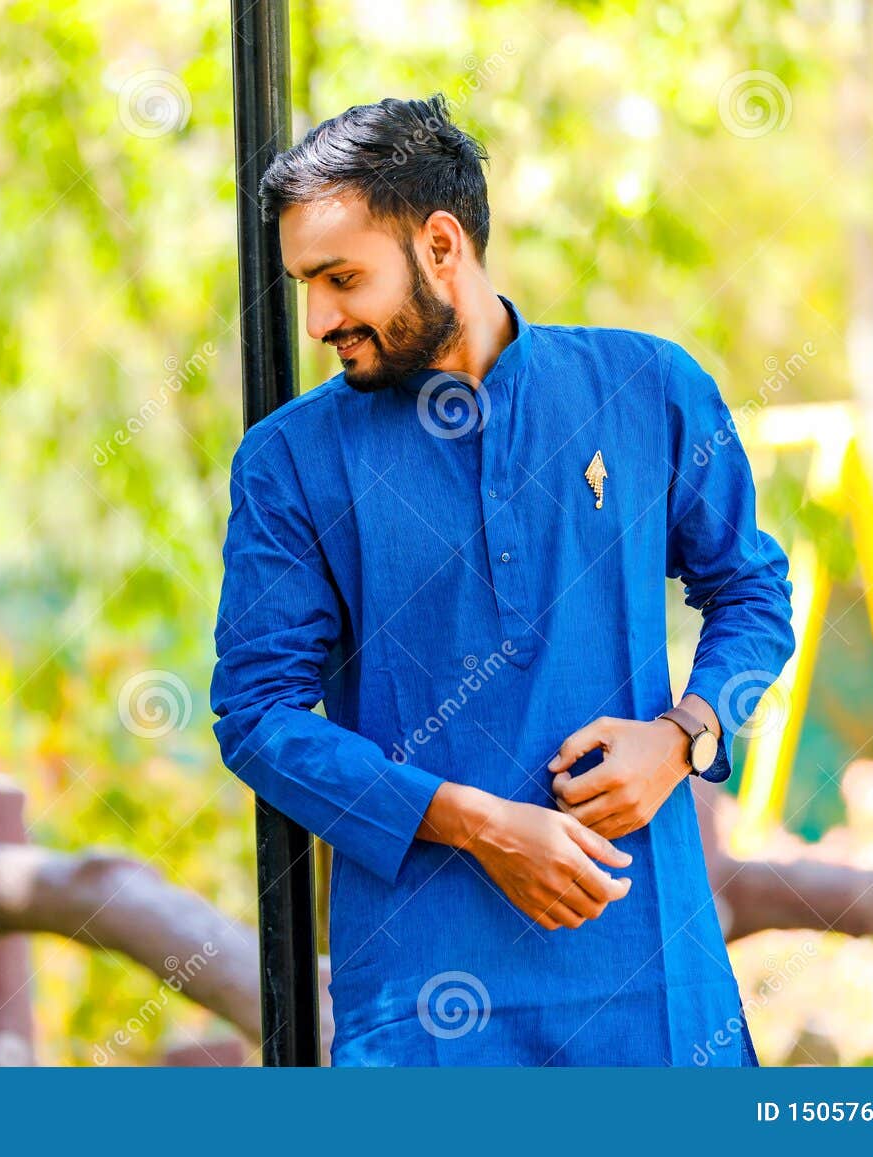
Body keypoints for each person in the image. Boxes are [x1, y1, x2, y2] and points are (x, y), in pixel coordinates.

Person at [210, 94, 795, 1066]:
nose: (318, 318)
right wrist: (480, 824)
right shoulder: (292, 462)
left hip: (653, 986)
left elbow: (751, 590)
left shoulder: (644, 388)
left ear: (441, 245)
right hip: (424, 1012)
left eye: (340, 277)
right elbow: (256, 715)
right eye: (303, 284)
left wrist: (682, 735)